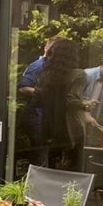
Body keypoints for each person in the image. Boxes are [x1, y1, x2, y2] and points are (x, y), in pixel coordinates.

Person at [36, 39, 91, 171]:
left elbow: (38, 98)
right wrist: (84, 104)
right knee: (73, 169)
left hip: (49, 126)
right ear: (73, 55)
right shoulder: (78, 74)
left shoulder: (45, 75)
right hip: (71, 126)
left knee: (51, 167)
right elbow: (71, 100)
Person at [18, 35, 64, 166]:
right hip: (36, 116)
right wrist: (44, 93)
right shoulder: (38, 66)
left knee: (45, 153)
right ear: (46, 48)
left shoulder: (52, 68)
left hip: (44, 116)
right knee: (39, 153)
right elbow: (23, 88)